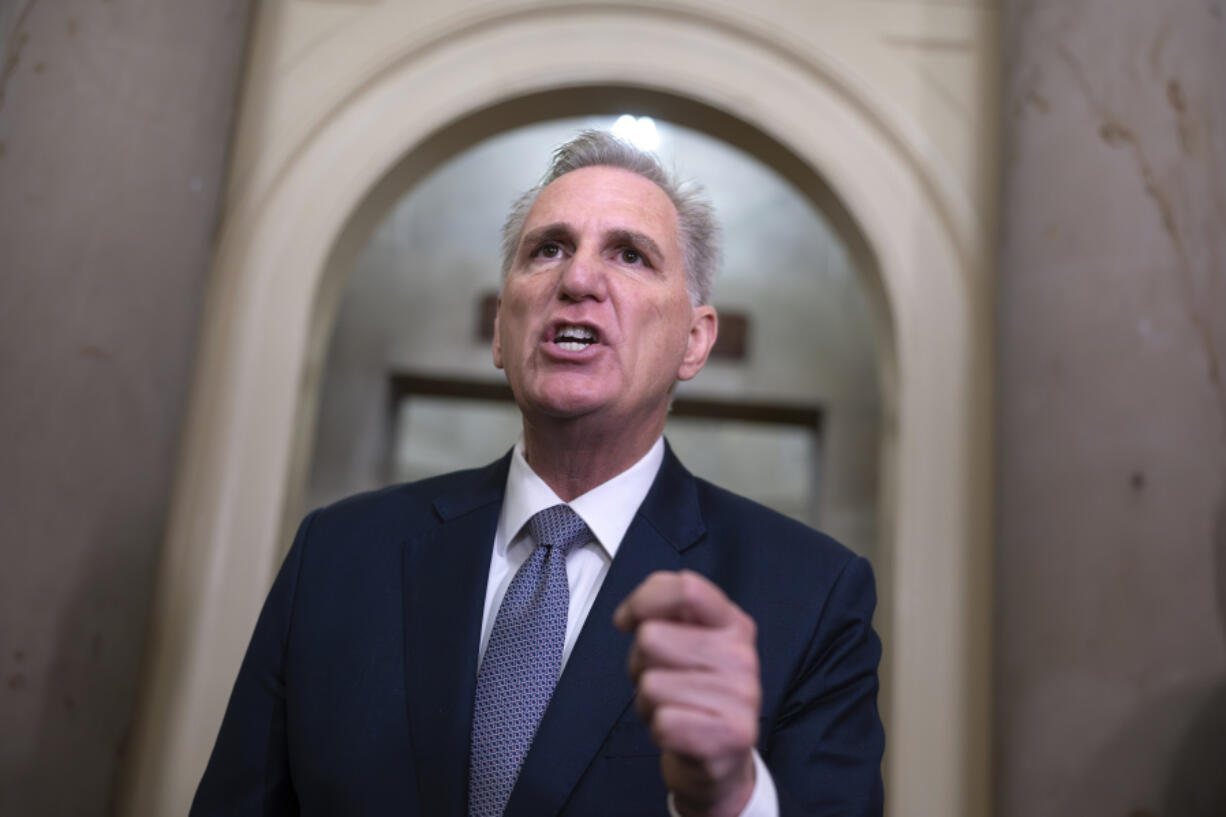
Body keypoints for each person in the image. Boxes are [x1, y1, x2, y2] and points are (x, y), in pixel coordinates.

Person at [190, 130, 884, 817]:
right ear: (501, 330)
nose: (577, 279)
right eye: (548, 248)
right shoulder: (337, 556)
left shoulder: (811, 595)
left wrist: (732, 793)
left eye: (631, 255)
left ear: (694, 341)